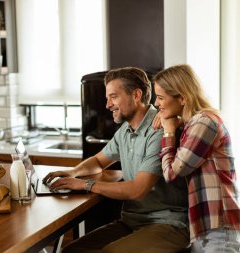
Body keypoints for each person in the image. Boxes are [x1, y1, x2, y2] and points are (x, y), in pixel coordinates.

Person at [43, 67, 189, 253]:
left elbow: (138, 189)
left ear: (136, 95)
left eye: (113, 97)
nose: (107, 105)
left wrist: (85, 184)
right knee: (73, 250)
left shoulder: (159, 129)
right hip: (132, 221)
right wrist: (73, 172)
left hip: (168, 224)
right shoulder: (125, 131)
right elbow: (98, 161)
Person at [153, 64, 240, 253]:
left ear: (182, 98)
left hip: (218, 227)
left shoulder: (205, 122)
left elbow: (172, 173)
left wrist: (168, 131)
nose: (156, 104)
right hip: (204, 226)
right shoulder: (191, 125)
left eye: (160, 98)